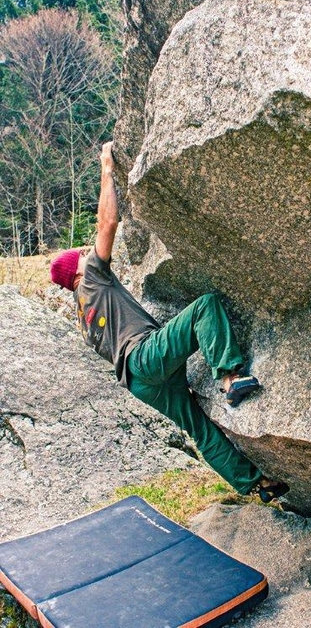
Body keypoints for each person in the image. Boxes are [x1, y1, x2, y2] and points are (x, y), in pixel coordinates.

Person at [50, 142, 289, 503]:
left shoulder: (83, 313)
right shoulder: (92, 278)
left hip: (138, 382)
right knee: (204, 308)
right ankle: (229, 377)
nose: (88, 254)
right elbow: (108, 222)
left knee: (198, 427)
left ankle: (255, 485)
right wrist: (106, 168)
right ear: (76, 272)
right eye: (82, 256)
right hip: (145, 357)